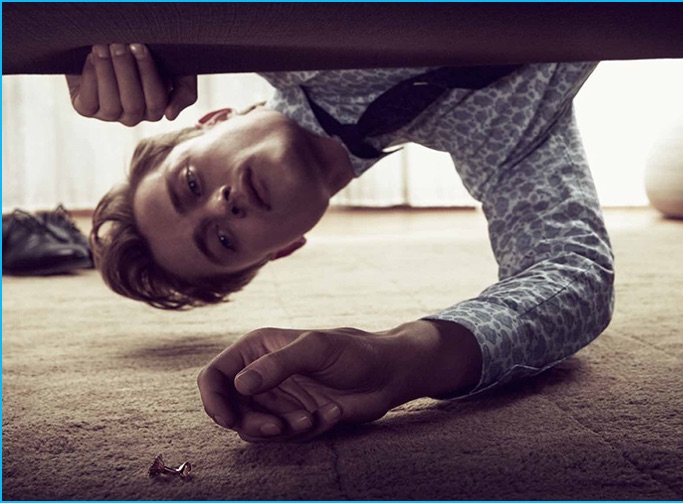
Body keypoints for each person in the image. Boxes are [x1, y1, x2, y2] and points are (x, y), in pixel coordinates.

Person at [67, 43, 615, 442]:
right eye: (224, 240)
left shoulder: (276, 29)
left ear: (215, 118)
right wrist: (404, 357)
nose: (220, 205)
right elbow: (574, 275)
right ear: (284, 249)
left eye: (190, 183)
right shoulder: (510, 137)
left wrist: (129, 29)